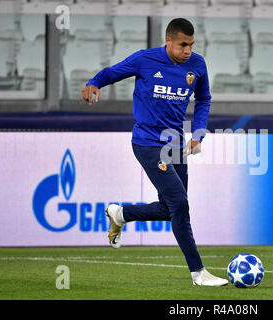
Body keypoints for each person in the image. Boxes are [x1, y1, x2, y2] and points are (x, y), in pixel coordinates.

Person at [81, 18, 228, 287]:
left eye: (192, 45)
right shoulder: (145, 60)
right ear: (168, 40)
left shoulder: (197, 64)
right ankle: (198, 273)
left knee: (170, 208)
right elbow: (111, 73)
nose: (188, 50)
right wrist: (94, 84)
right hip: (147, 142)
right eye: (183, 45)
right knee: (181, 205)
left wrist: (197, 134)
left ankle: (120, 214)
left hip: (175, 143)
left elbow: (204, 99)